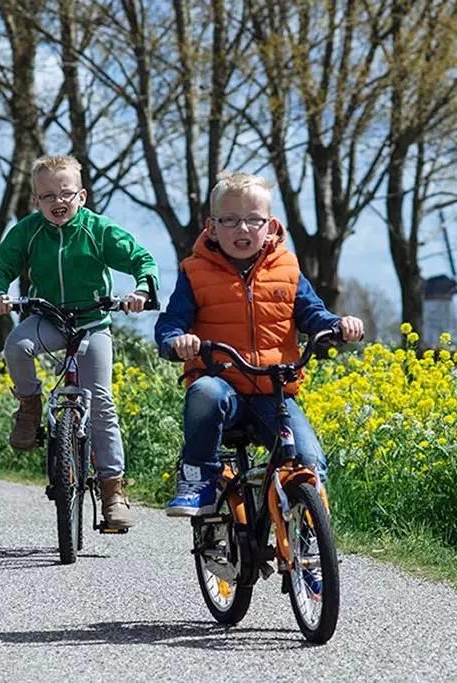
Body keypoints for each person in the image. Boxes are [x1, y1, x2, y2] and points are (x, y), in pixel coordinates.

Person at [154, 170, 364, 518]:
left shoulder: (288, 267)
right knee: (204, 392)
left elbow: (312, 313)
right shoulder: (194, 272)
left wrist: (337, 325)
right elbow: (170, 323)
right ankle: (198, 478)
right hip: (223, 386)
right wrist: (177, 341)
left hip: (275, 393)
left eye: (254, 220)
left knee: (309, 461)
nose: (243, 229)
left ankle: (308, 548)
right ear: (212, 226)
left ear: (270, 224)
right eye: (231, 220)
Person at [0, 154, 159, 530]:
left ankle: (113, 492)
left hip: (93, 322)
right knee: (16, 346)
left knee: (102, 404)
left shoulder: (97, 230)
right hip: (47, 318)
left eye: (65, 193)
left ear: (81, 195)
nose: (57, 202)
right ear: (35, 201)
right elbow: (1, 265)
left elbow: (140, 259)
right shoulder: (28, 231)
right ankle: (30, 407)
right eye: (47, 196)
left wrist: (142, 289)